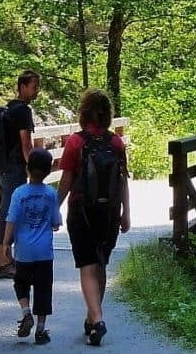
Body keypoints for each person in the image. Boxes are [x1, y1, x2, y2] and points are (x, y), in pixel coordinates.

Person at [57, 89, 131, 346]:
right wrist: (126, 214)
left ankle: (97, 320)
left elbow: (66, 180)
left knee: (87, 265)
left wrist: (55, 207)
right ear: (108, 114)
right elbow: (122, 181)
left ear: (84, 113)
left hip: (82, 212)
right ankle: (91, 320)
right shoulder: (116, 143)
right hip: (110, 212)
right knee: (100, 265)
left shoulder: (75, 142)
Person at [0, 148, 62, 345]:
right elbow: (56, 222)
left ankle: (26, 312)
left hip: (24, 251)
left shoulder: (19, 193)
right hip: (44, 252)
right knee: (44, 290)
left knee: (21, 282)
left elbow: (11, 219)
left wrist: (5, 243)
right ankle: (41, 331)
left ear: (27, 169)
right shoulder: (51, 193)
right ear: (49, 171)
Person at [0, 69, 40, 278]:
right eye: (34, 87)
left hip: (0, 168)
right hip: (13, 168)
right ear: (22, 87)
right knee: (9, 212)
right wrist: (34, 171)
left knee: (7, 210)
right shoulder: (23, 111)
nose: (36, 91)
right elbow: (26, 144)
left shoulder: (9, 108)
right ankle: (3, 261)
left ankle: (6, 257)